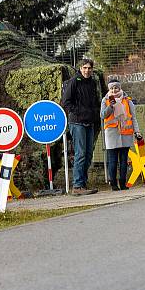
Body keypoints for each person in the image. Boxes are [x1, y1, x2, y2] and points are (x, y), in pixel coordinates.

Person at [62, 59, 101, 195]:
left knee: (88, 154)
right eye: (85, 68)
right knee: (81, 153)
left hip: (89, 122)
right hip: (77, 122)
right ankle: (77, 186)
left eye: (89, 68)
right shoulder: (74, 81)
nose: (87, 70)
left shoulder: (91, 82)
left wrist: (94, 114)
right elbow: (66, 102)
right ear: (80, 68)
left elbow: (94, 101)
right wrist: (79, 112)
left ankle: (83, 183)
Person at [100, 80, 141, 191]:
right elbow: (102, 115)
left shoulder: (127, 101)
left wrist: (137, 132)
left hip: (125, 133)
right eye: (112, 88)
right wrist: (111, 107)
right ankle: (113, 183)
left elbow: (133, 118)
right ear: (109, 89)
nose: (114, 90)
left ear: (120, 88)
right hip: (112, 134)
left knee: (124, 161)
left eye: (116, 88)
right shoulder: (106, 100)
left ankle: (123, 183)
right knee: (112, 160)